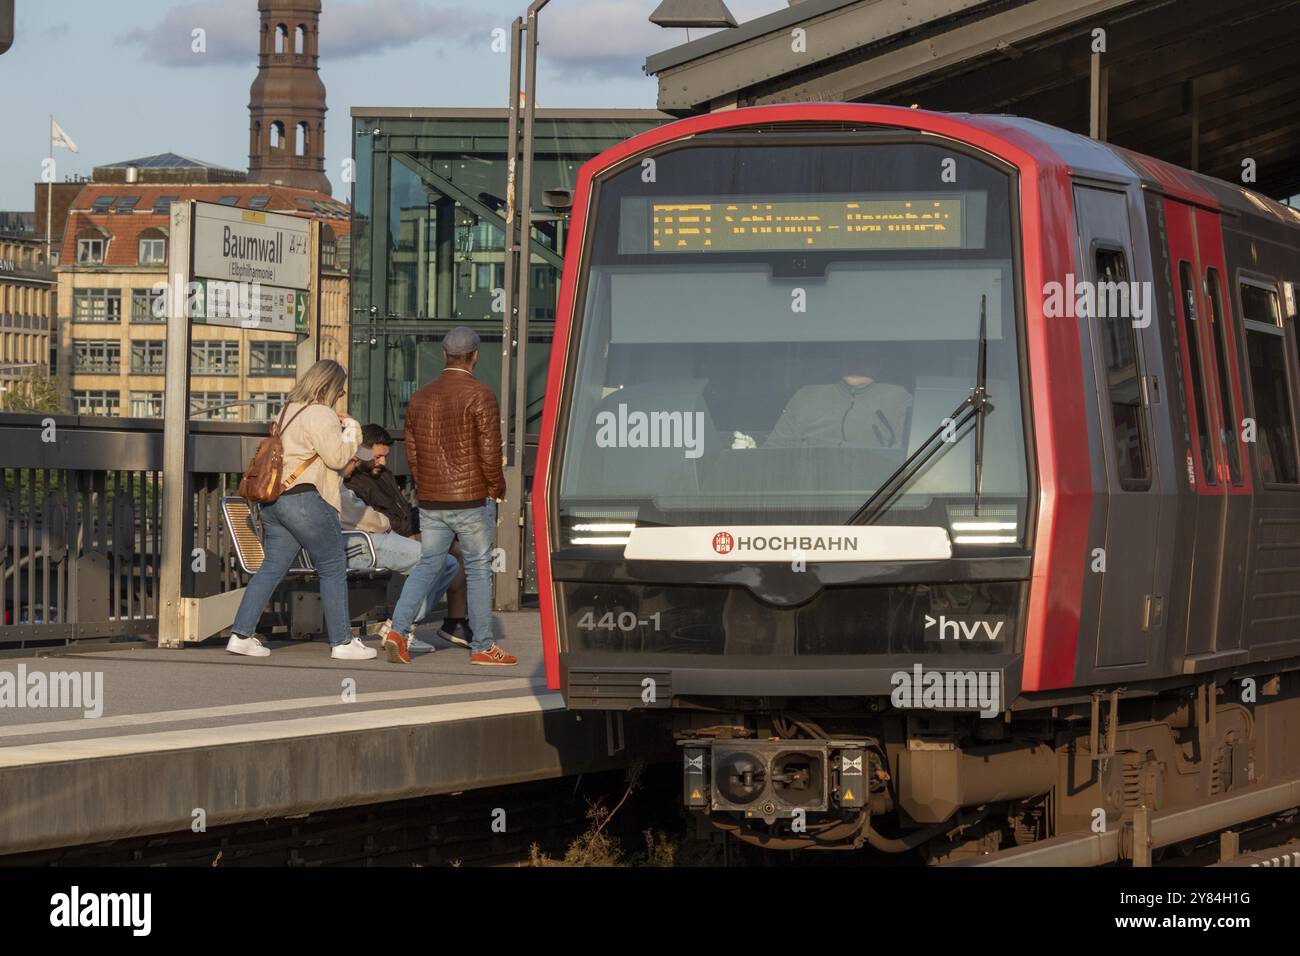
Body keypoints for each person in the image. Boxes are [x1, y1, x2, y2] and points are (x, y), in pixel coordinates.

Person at [379, 327, 517, 666]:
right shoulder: (480, 395)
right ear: (474, 356)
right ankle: (483, 645)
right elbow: (489, 451)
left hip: (432, 499)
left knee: (427, 564)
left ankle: (398, 630)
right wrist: (497, 488)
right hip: (471, 498)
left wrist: (425, 486)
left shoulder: (421, 397)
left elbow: (413, 452)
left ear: (444, 355)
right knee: (478, 569)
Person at [226, 360, 376, 660]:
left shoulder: (287, 410)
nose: (340, 394)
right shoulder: (321, 414)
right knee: (333, 567)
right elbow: (336, 458)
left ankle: (241, 635)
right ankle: (343, 642)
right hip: (306, 500)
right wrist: (352, 430)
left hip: (275, 502)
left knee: (271, 568)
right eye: (340, 389)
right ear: (330, 386)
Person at [344, 424, 474, 649]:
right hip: (375, 539)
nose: (382, 463)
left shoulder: (382, 475)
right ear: (360, 452)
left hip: (398, 533)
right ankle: (402, 627)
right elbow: (369, 520)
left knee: (454, 552)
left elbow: (404, 510)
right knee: (445, 560)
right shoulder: (351, 480)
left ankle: (451, 621)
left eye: (384, 457)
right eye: (377, 457)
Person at [765, 351, 912, 449]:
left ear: (880, 363)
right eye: (850, 356)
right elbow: (775, 451)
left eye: (866, 357)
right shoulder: (806, 396)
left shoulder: (899, 398)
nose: (856, 363)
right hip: (805, 485)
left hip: (880, 491)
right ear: (840, 360)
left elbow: (907, 455)